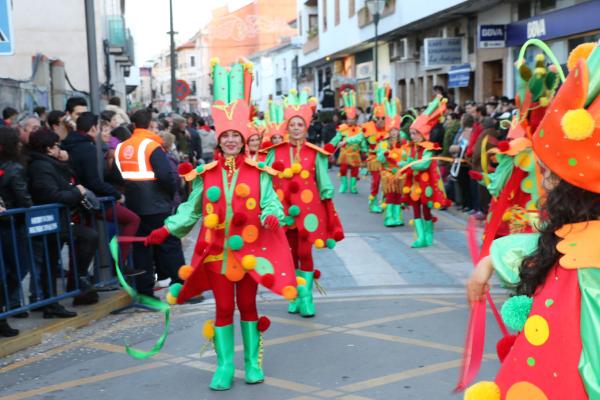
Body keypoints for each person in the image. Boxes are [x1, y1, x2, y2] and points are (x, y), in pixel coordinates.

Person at [145, 59, 298, 391]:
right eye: (225, 136)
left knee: (248, 305)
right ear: (218, 138)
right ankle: (225, 365)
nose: (230, 141)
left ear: (243, 139)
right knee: (225, 306)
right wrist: (166, 230)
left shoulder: (260, 174)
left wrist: (273, 214)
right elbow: (190, 210)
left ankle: (253, 362)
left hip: (250, 251)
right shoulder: (206, 175)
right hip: (216, 252)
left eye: (235, 136)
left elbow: (271, 201)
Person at [465, 43, 600, 400]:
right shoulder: (576, 240)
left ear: (577, 189)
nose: (544, 188)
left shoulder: (589, 259)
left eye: (550, 177)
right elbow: (553, 248)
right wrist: (490, 260)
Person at [265, 88, 345, 318]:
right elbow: (265, 179)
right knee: (289, 255)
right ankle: (294, 296)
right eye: (292, 124)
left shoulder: (314, 153)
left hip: (310, 213)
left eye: (300, 125)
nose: (296, 128)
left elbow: (323, 183)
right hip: (283, 211)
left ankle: (307, 298)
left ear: (306, 127)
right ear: (287, 127)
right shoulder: (275, 151)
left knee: (305, 252)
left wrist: (330, 213)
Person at [113, 110, 181, 298]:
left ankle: (145, 291)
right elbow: (166, 175)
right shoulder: (152, 146)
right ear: (151, 124)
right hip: (157, 203)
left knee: (142, 247)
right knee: (169, 244)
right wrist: (170, 194)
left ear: (133, 125)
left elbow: (116, 176)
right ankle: (181, 286)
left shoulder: (121, 147)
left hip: (134, 205)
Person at [63, 112, 140, 275]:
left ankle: (78, 282)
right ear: (93, 128)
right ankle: (119, 264)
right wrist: (116, 194)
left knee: (79, 245)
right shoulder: (88, 149)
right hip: (90, 200)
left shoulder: (68, 144)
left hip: (77, 200)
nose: (103, 133)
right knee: (132, 219)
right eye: (100, 129)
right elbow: (93, 181)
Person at [28, 129, 92, 314]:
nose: (60, 148)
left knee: (85, 238)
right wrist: (76, 193)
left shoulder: (51, 163)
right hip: (49, 220)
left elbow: (66, 181)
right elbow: (53, 194)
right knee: (49, 262)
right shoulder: (40, 167)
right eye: (56, 145)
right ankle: (51, 302)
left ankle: (65, 291)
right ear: (48, 148)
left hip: (56, 220)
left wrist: (65, 162)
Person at [400, 95, 451, 248]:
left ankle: (428, 235)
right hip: (415, 185)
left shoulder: (429, 148)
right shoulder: (412, 147)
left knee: (426, 210)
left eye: (415, 133)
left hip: (425, 185)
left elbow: (423, 164)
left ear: (423, 134)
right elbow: (407, 160)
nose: (412, 136)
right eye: (412, 133)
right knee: (415, 210)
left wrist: (409, 163)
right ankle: (420, 237)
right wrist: (405, 162)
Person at [0, 127, 34, 330]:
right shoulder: (15, 168)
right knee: (18, 267)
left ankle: (7, 308)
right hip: (13, 224)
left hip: (8, 222)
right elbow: (25, 200)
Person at [376, 98, 410, 227]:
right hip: (388, 174)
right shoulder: (383, 143)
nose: (394, 133)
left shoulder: (403, 143)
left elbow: (406, 156)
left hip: (400, 174)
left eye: (396, 130)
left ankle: (398, 216)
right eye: (392, 131)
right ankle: (389, 217)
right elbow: (380, 158)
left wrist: (404, 162)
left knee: (398, 196)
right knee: (390, 195)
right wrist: (383, 155)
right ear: (388, 131)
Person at [329, 89, 367, 194]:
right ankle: (344, 184)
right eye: (349, 119)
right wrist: (330, 145)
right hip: (344, 153)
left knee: (355, 170)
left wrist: (364, 150)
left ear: (356, 119)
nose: (351, 121)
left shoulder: (359, 129)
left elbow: (361, 140)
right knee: (343, 169)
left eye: (353, 118)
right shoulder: (342, 128)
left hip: (355, 153)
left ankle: (353, 186)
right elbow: (336, 138)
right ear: (346, 119)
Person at [362, 84, 391, 213]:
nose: (380, 121)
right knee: (376, 182)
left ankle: (385, 203)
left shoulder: (390, 130)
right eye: (378, 118)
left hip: (387, 160)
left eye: (383, 118)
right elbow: (358, 138)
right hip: (374, 160)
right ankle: (372, 202)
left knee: (387, 182)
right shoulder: (368, 128)